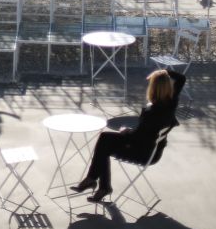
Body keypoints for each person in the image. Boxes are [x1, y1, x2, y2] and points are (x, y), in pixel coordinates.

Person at [70, 68, 187, 202]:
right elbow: (181, 78)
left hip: (143, 153)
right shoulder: (171, 102)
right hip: (153, 150)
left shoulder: (152, 112)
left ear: (153, 88)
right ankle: (98, 184)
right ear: (167, 87)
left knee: (105, 142)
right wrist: (163, 72)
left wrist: (125, 131)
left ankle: (96, 182)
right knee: (105, 139)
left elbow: (137, 137)